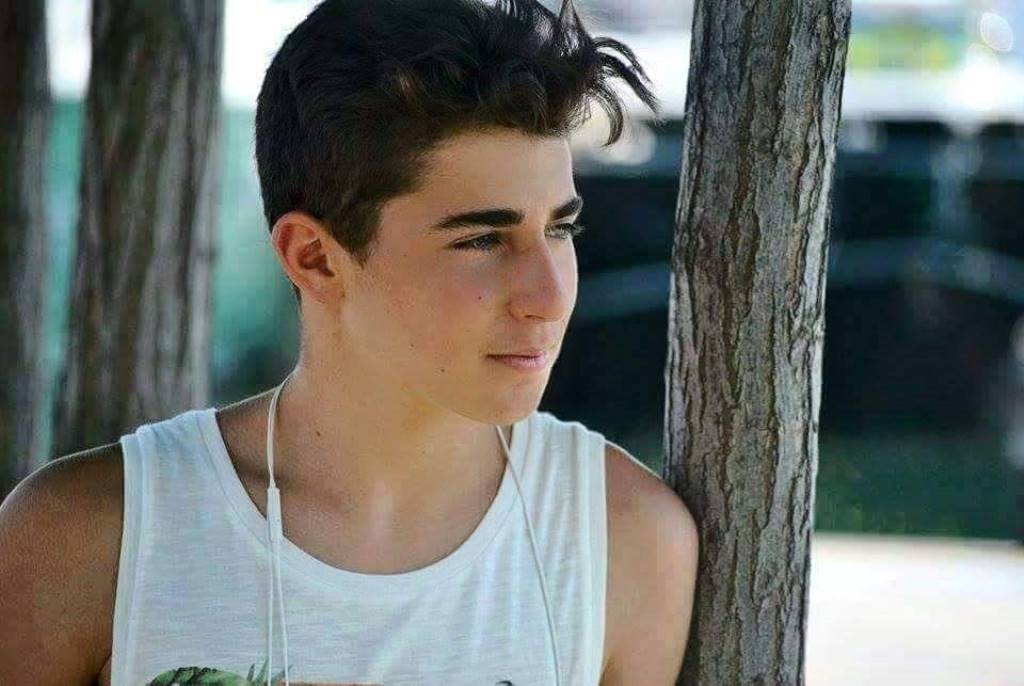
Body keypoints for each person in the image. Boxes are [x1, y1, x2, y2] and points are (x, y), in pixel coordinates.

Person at [0, 0, 698, 684]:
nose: (550, 296)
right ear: (315, 258)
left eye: (560, 229)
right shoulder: (87, 541)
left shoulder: (627, 542)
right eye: (484, 239)